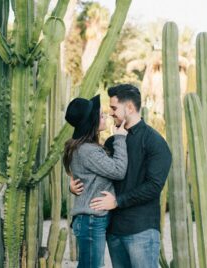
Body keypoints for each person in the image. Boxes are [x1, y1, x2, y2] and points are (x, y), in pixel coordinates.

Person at [71, 84, 172, 268]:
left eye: (114, 108)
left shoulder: (155, 143)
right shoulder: (111, 142)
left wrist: (118, 201)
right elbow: (92, 169)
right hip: (113, 230)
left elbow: (154, 186)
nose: (110, 113)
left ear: (130, 108)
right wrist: (74, 183)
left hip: (141, 230)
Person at [63, 94, 128, 268]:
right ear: (92, 123)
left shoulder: (83, 147)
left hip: (91, 219)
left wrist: (71, 187)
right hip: (91, 219)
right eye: (100, 115)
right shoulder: (87, 150)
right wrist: (120, 138)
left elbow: (83, 176)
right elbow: (118, 171)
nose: (105, 116)